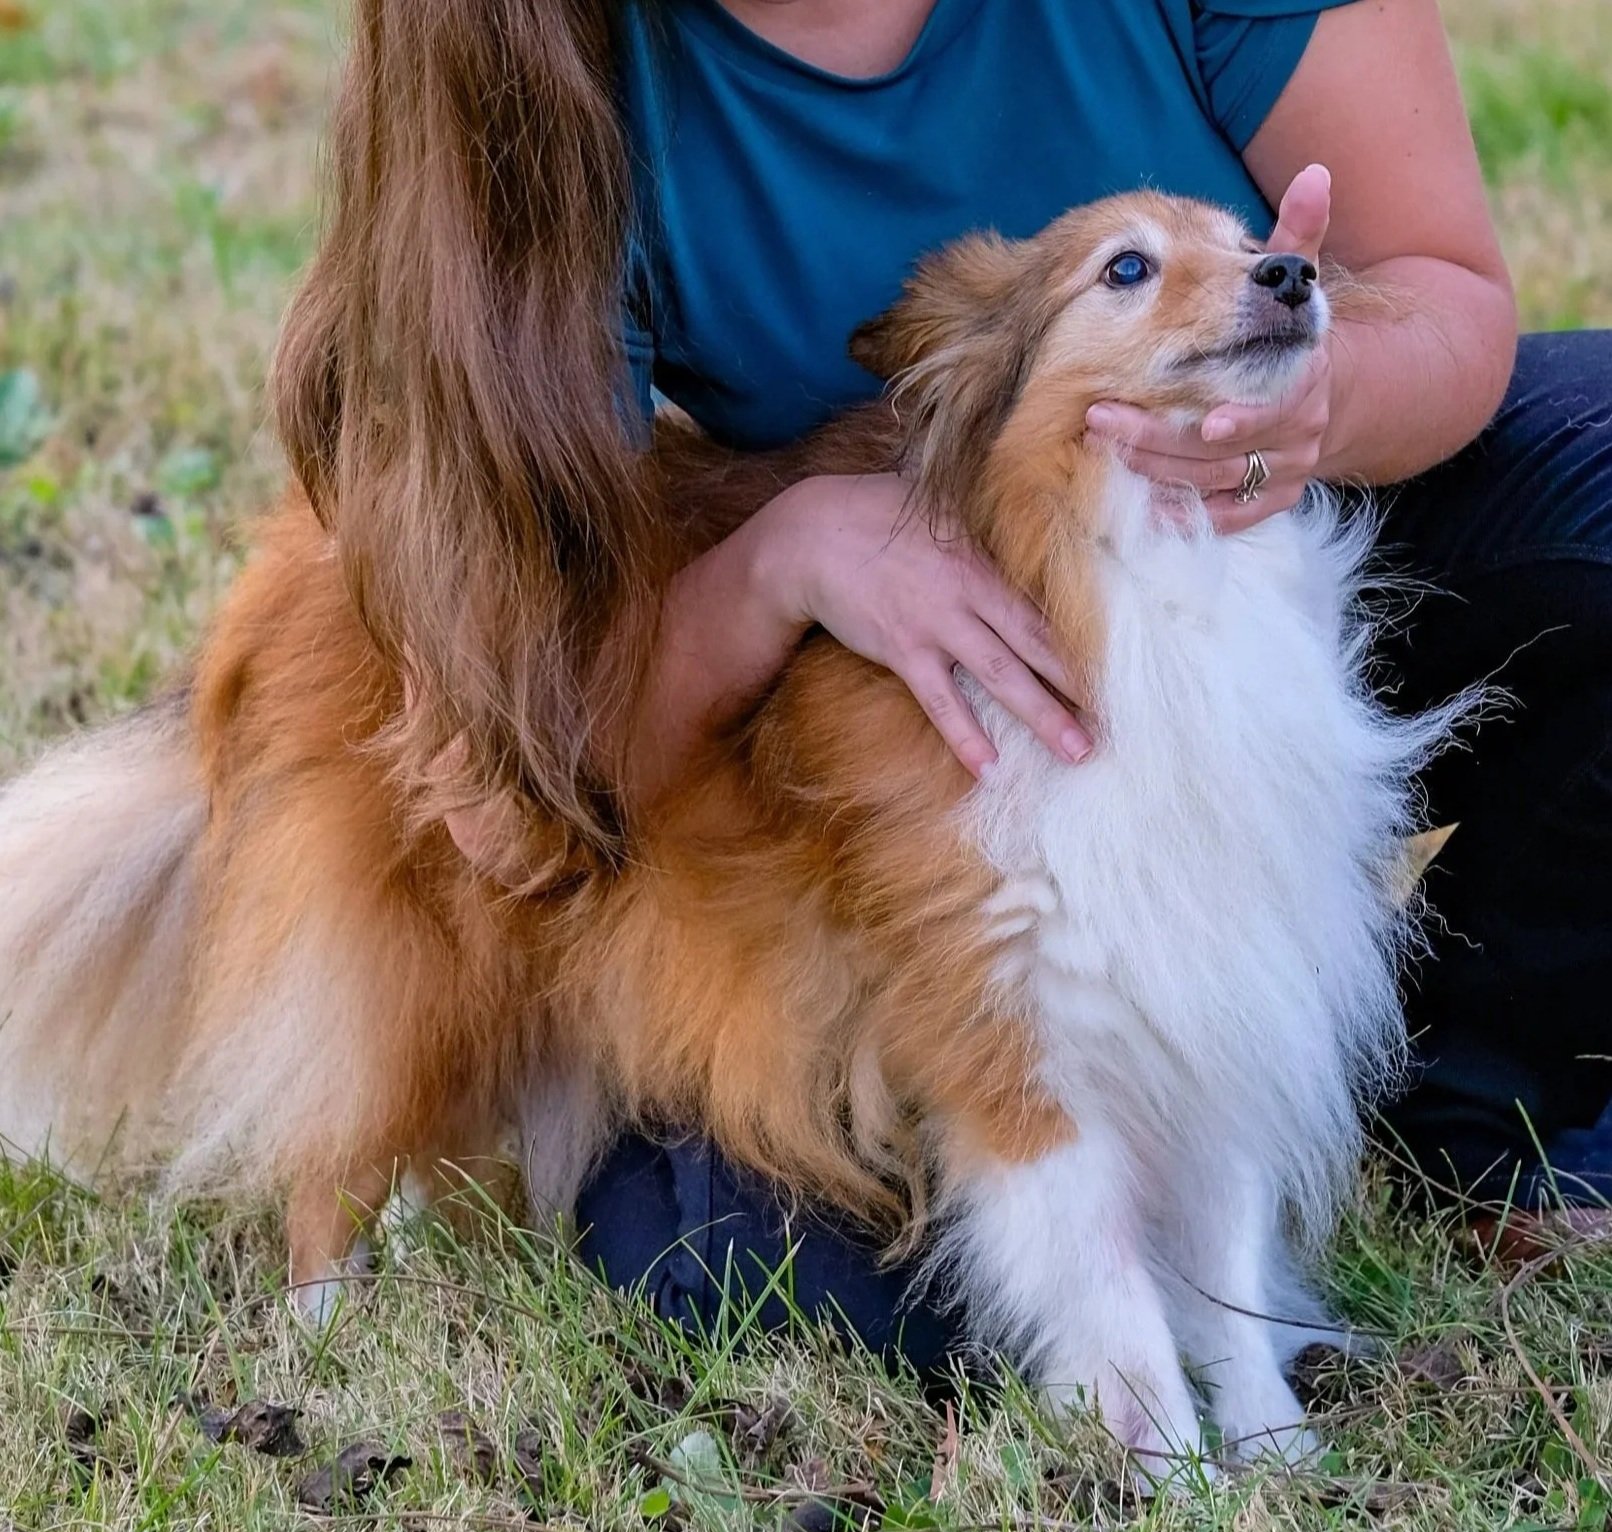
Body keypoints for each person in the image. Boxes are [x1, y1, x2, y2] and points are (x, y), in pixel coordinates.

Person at [279, 0, 1611, 1371]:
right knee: (766, 1283)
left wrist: (1320, 399)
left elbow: (1443, 282)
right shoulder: (540, 67)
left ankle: (1483, 1112)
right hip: (853, 707)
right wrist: (773, 563)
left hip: (1293, 539)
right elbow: (514, 789)